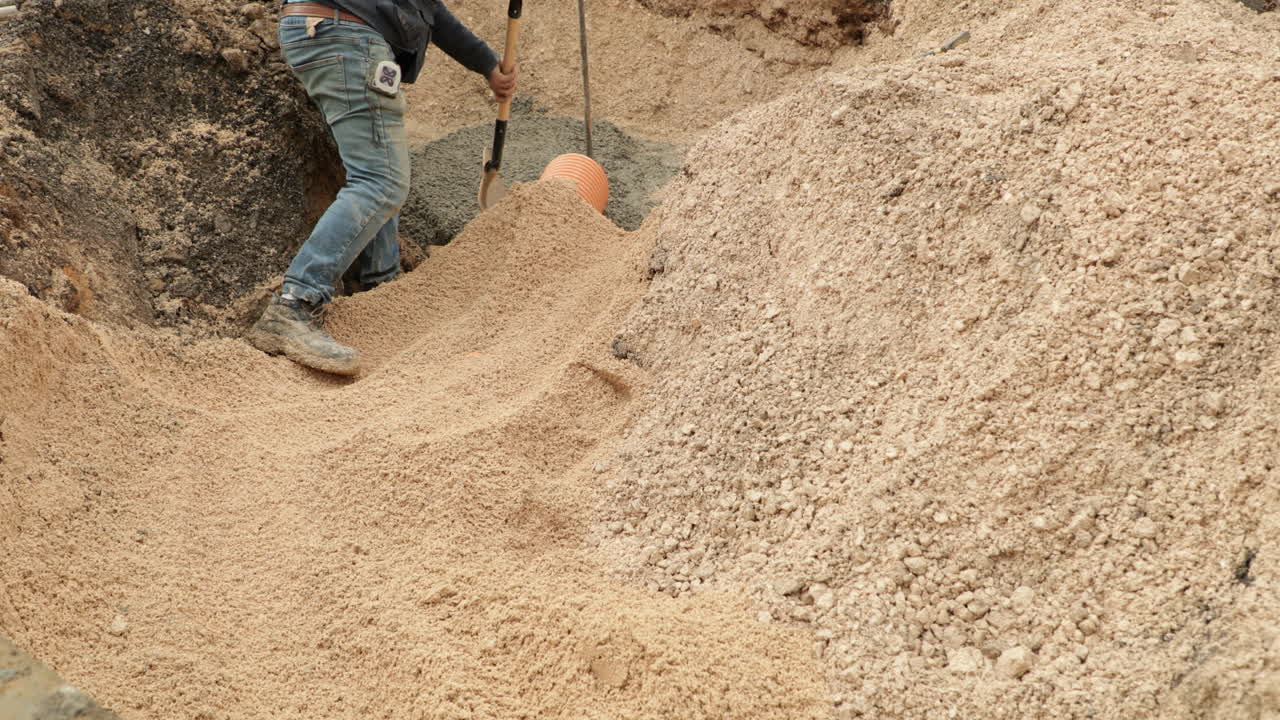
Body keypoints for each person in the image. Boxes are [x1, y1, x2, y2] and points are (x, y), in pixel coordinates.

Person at [247, 0, 517, 376]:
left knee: (379, 167)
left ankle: (381, 290)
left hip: (328, 29)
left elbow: (431, 12)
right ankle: (293, 305)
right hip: (345, 33)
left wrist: (487, 64)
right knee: (382, 179)